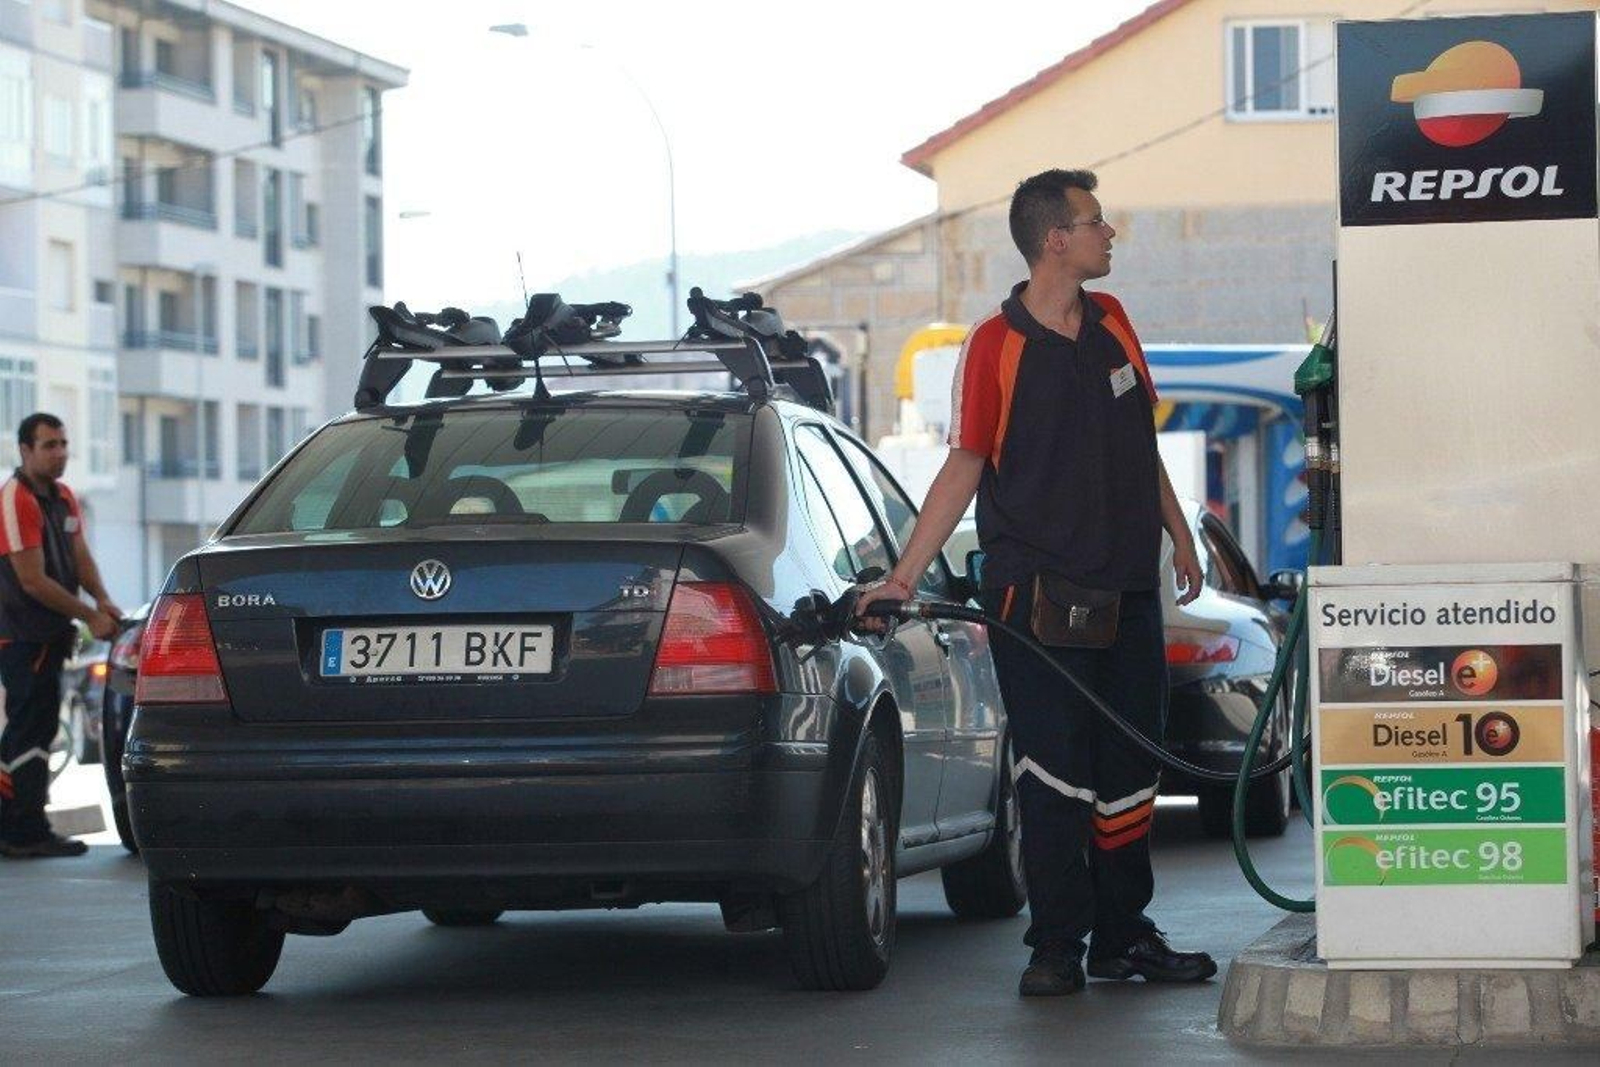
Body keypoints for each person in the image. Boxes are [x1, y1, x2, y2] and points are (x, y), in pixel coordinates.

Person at [857, 169, 1216, 996]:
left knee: (1131, 772)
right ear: (1057, 239)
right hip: (1038, 598)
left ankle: (1124, 936)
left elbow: (1139, 445)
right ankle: (1056, 945)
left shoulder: (1115, 321)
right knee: (1055, 774)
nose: (1110, 231)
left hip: (1126, 590)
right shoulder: (997, 345)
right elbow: (965, 464)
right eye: (1096, 221)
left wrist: (1177, 532)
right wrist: (904, 576)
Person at [0, 413, 120, 859]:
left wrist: (103, 601)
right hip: (21, 635)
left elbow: (78, 556)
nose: (60, 453)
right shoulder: (17, 498)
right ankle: (25, 830)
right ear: (25, 450)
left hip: (48, 634)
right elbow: (31, 579)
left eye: (63, 443)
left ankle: (17, 822)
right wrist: (90, 616)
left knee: (34, 728)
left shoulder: (63, 497)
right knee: (30, 732)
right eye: (49, 445)